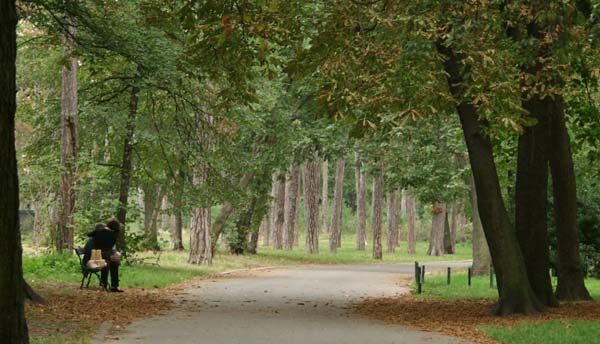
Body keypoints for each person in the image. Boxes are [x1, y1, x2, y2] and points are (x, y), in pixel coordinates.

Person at [83, 219, 124, 292]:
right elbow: (92, 253)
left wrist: (115, 254)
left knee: (114, 263)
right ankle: (103, 285)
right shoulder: (92, 241)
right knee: (105, 263)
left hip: (102, 255)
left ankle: (114, 286)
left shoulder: (101, 235)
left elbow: (108, 249)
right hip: (93, 258)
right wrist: (110, 256)